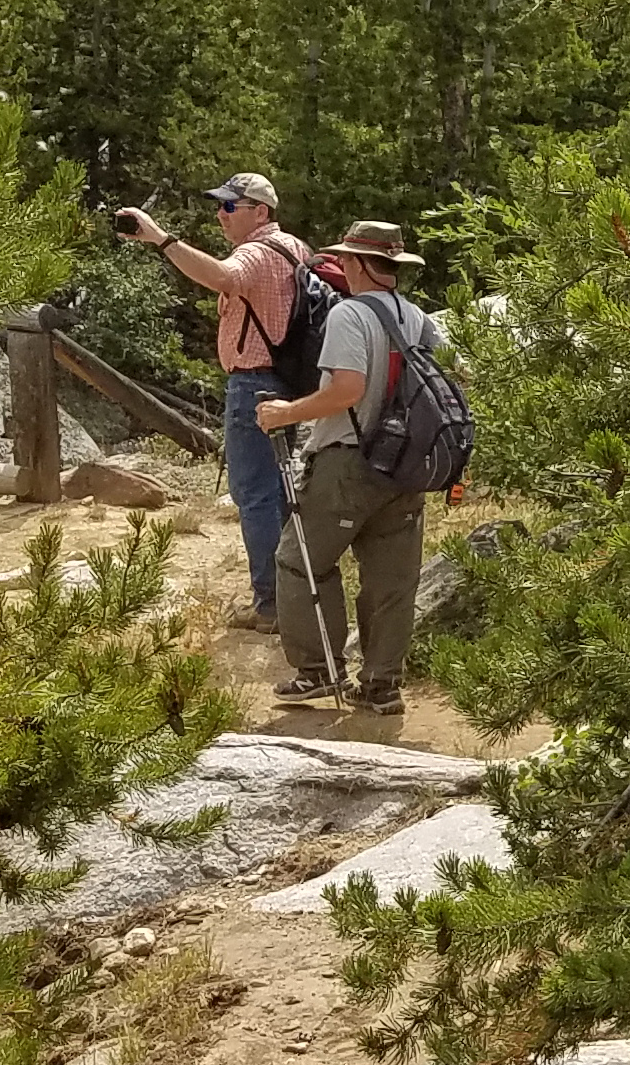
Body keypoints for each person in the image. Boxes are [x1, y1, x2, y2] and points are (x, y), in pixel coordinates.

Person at [252, 219, 442, 718]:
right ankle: (382, 686)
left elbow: (347, 391)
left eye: (345, 259)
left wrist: (283, 413)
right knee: (391, 580)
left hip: (347, 460)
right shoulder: (420, 319)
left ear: (356, 263)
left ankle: (317, 670)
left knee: (299, 562)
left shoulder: (349, 315)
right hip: (408, 467)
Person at [113, 171, 308, 628]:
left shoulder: (257, 253)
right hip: (285, 383)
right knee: (278, 493)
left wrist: (161, 239)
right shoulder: (295, 248)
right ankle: (292, 596)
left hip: (253, 386)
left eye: (228, 207)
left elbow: (223, 277)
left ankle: (272, 605)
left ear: (260, 212)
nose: (220, 216)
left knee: (254, 495)